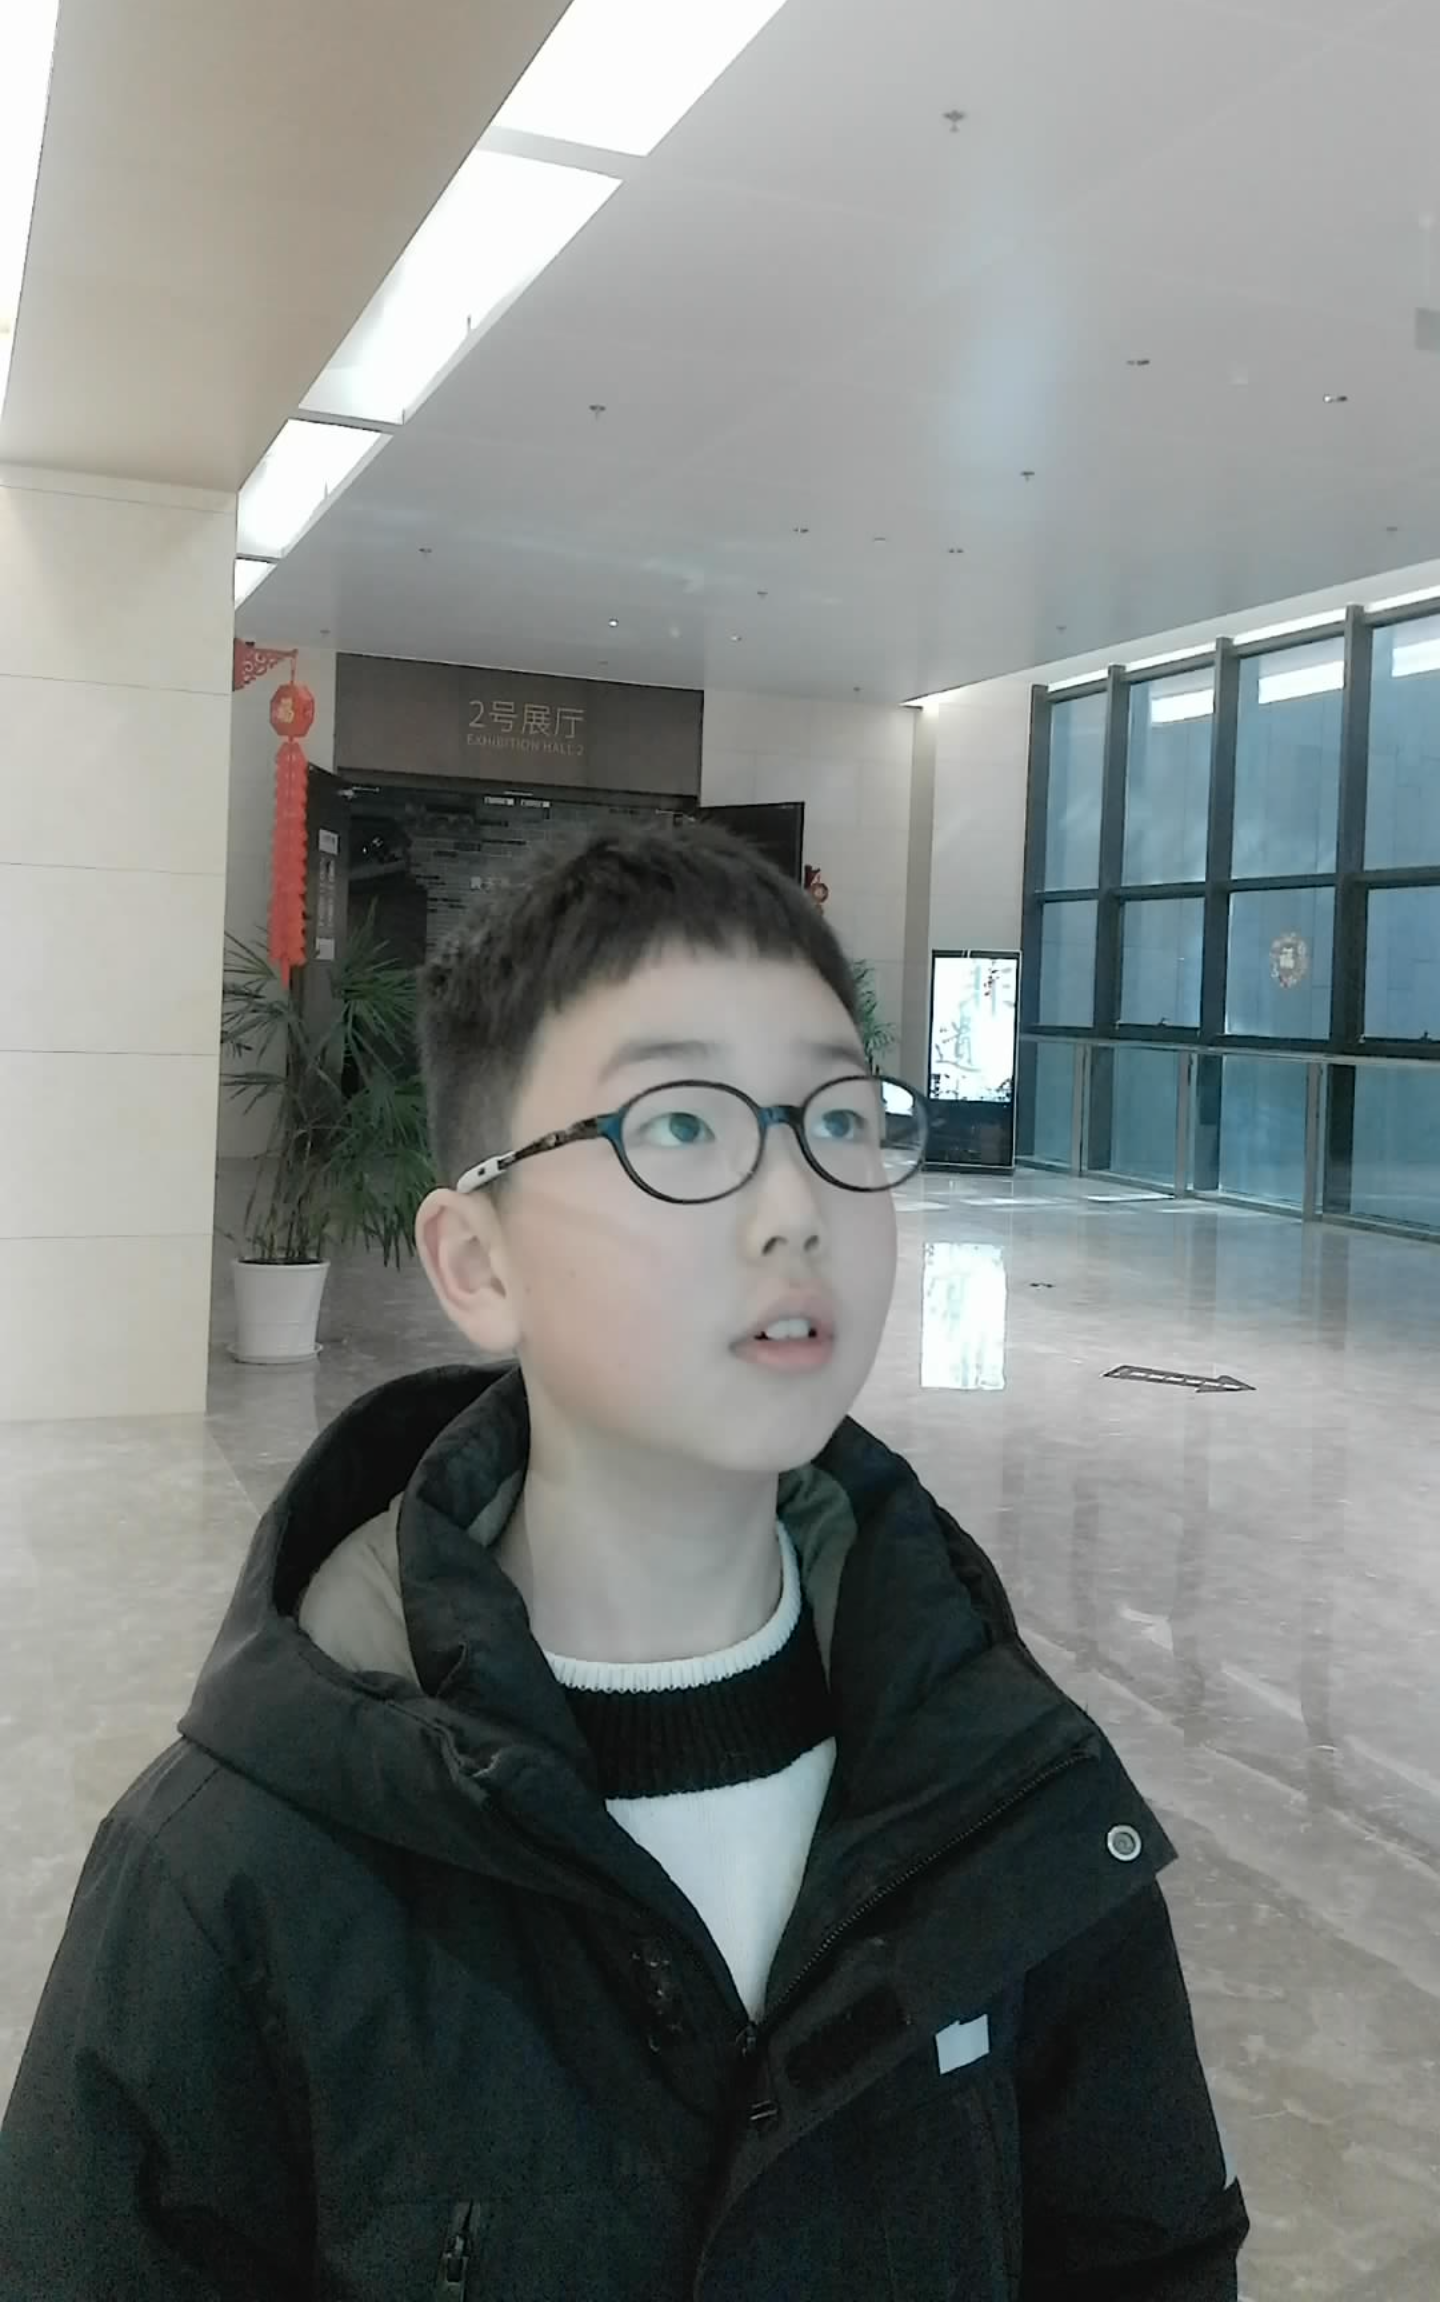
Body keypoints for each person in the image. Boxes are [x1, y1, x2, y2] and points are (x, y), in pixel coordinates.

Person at [0, 823, 1248, 2298]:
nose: (797, 1209)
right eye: (683, 1129)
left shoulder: (1009, 1790)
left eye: (840, 1120)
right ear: (478, 1264)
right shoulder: (237, 1875)